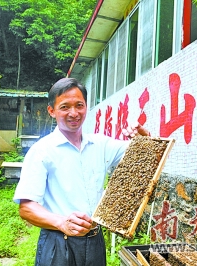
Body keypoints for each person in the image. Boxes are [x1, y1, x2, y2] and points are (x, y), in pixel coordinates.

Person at [13, 77, 150, 266]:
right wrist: (62, 222)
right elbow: (27, 208)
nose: (73, 113)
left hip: (94, 240)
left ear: (86, 106)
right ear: (51, 111)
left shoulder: (101, 145)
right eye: (64, 107)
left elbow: (143, 156)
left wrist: (145, 138)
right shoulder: (41, 151)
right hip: (58, 242)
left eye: (79, 105)